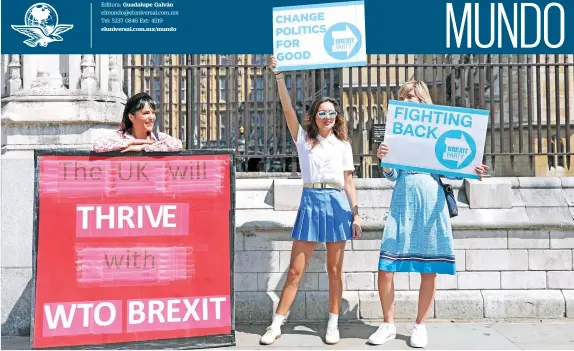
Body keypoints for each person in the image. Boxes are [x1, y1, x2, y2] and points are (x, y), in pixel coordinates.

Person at [368, 80, 488, 348]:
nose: (407, 100)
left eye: (412, 96)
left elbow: (454, 168)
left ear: (423, 100)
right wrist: (384, 160)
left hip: (431, 202)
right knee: (386, 267)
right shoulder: (396, 134)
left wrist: (474, 169)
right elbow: (391, 175)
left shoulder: (439, 133)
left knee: (429, 269)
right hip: (402, 202)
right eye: (403, 96)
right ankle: (388, 323)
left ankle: (420, 325)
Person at [259, 56, 362, 345]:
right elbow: (288, 109)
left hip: (337, 204)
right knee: (295, 270)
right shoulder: (304, 139)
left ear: (336, 117)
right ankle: (277, 323)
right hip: (311, 201)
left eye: (331, 113)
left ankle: (332, 322)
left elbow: (349, 182)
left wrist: (355, 214)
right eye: (322, 113)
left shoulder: (343, 145)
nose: (327, 117)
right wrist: (279, 77)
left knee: (334, 269)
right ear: (314, 116)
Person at [92, 92, 183, 153]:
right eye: (146, 113)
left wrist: (143, 147)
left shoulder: (159, 137)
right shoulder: (120, 136)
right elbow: (98, 145)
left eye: (153, 113)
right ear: (131, 117)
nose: (152, 117)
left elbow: (177, 144)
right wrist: (131, 142)